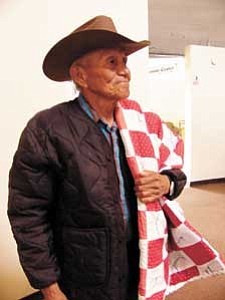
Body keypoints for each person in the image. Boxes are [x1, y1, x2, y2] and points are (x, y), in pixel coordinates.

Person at [8, 15, 187, 300]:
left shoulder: (144, 123)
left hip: (139, 264)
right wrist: (50, 288)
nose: (125, 71)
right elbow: (28, 214)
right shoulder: (47, 129)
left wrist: (167, 183)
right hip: (81, 275)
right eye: (111, 62)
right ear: (80, 75)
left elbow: (175, 170)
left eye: (124, 62)